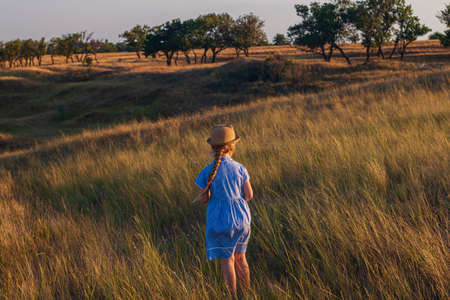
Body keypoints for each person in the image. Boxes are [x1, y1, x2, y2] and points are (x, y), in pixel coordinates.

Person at [195, 124, 254, 297]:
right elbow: (249, 195)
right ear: (232, 146)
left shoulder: (207, 171)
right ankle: (247, 293)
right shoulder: (240, 168)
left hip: (221, 221)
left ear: (212, 147)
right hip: (242, 219)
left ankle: (233, 296)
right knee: (241, 258)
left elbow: (204, 198)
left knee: (227, 260)